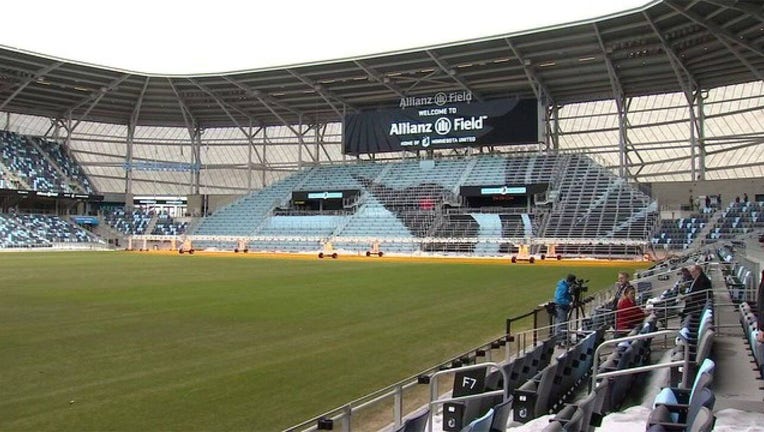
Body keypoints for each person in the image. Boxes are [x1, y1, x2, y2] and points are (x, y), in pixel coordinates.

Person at [553, 274, 575, 346]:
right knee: (561, 323)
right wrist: (569, 302)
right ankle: (559, 341)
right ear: (571, 281)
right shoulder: (563, 287)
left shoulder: (565, 286)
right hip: (560, 307)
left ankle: (563, 339)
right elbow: (559, 299)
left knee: (563, 323)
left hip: (563, 307)